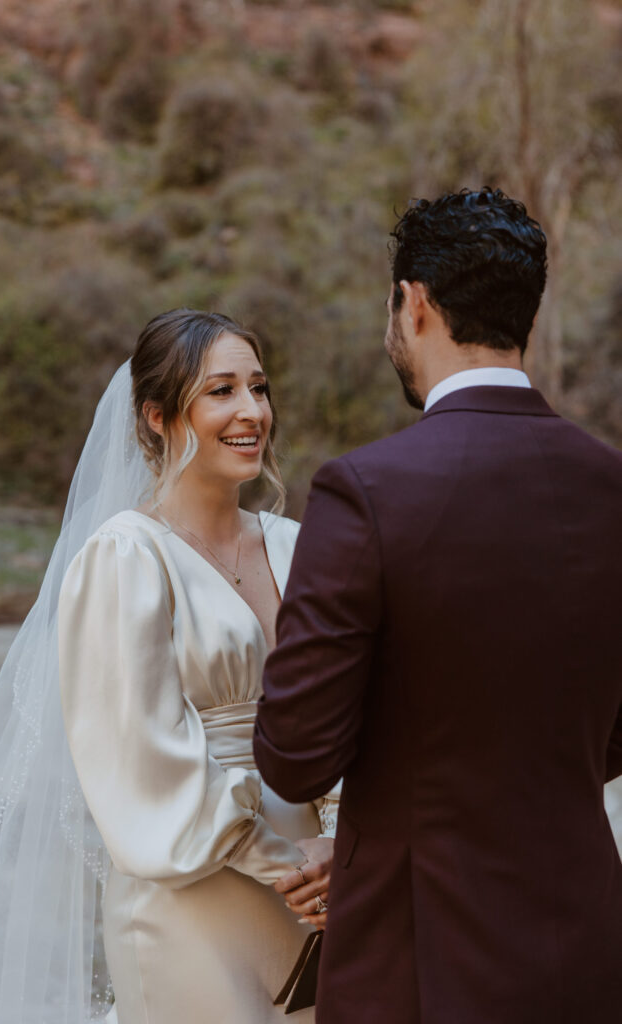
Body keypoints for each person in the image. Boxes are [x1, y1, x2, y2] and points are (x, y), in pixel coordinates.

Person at [254, 188, 622, 1024]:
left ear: (412, 303)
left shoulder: (364, 491)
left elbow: (297, 754)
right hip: (589, 938)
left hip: (419, 954)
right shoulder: (612, 488)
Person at [0, 309, 335, 1024]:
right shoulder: (125, 557)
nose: (251, 412)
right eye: (220, 391)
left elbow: (350, 711)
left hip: (323, 890)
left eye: (259, 387)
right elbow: (140, 759)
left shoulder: (299, 546)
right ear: (156, 415)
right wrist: (285, 864)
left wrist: (338, 843)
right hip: (194, 888)